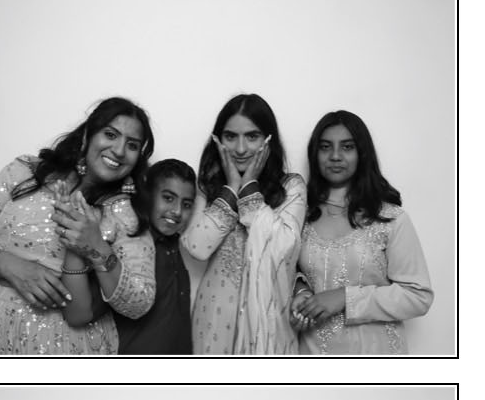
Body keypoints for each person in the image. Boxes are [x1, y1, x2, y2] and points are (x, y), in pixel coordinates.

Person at [0, 98, 156, 356]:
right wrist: (9, 265)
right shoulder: (26, 172)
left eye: (132, 145)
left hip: (72, 345)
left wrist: (96, 247)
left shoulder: (126, 213)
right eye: (110, 134)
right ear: (87, 135)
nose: (119, 150)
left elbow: (139, 302)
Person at [291, 111, 433, 355]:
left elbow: (418, 296)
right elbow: (288, 271)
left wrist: (345, 298)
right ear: (315, 154)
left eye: (347, 147)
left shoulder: (389, 218)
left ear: (362, 153)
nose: (335, 156)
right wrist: (300, 291)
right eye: (325, 147)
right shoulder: (298, 215)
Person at [182, 93, 307, 355]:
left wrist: (249, 186)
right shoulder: (207, 187)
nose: (240, 149)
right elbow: (197, 247)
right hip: (214, 320)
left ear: (269, 140)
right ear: (218, 140)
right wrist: (231, 188)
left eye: (252, 136)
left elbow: (283, 248)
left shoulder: (291, 188)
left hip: (270, 321)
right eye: (230, 137)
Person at [117, 159, 195, 354]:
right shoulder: (130, 246)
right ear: (147, 195)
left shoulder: (176, 247)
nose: (177, 211)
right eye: (168, 198)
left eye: (186, 204)